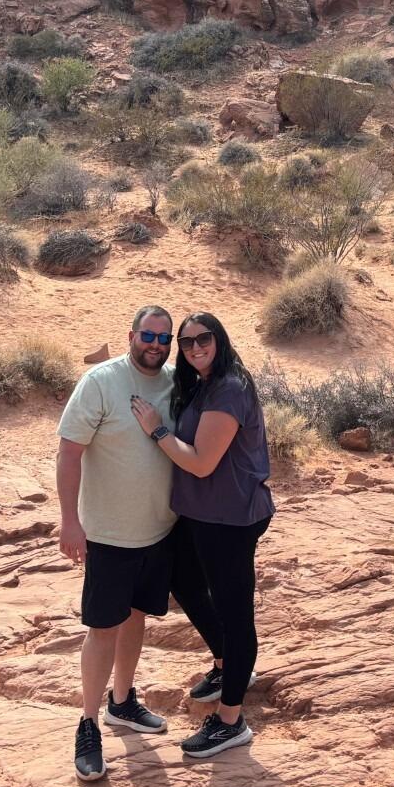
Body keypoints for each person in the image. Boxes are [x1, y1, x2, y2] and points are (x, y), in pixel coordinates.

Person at [129, 311, 274, 760]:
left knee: (235, 612)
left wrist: (155, 429)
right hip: (204, 514)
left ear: (220, 339)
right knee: (185, 581)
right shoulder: (203, 382)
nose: (194, 348)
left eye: (203, 339)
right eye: (185, 342)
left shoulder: (229, 387)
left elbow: (201, 463)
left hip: (231, 517)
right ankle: (226, 662)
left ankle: (231, 720)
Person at [56, 305, 178, 781]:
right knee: (102, 628)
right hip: (107, 534)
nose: (156, 344)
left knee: (137, 616)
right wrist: (70, 521)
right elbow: (69, 452)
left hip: (158, 530)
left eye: (164, 338)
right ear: (131, 335)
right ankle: (88, 723)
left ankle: (122, 702)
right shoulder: (101, 382)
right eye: (148, 335)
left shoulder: (173, 383)